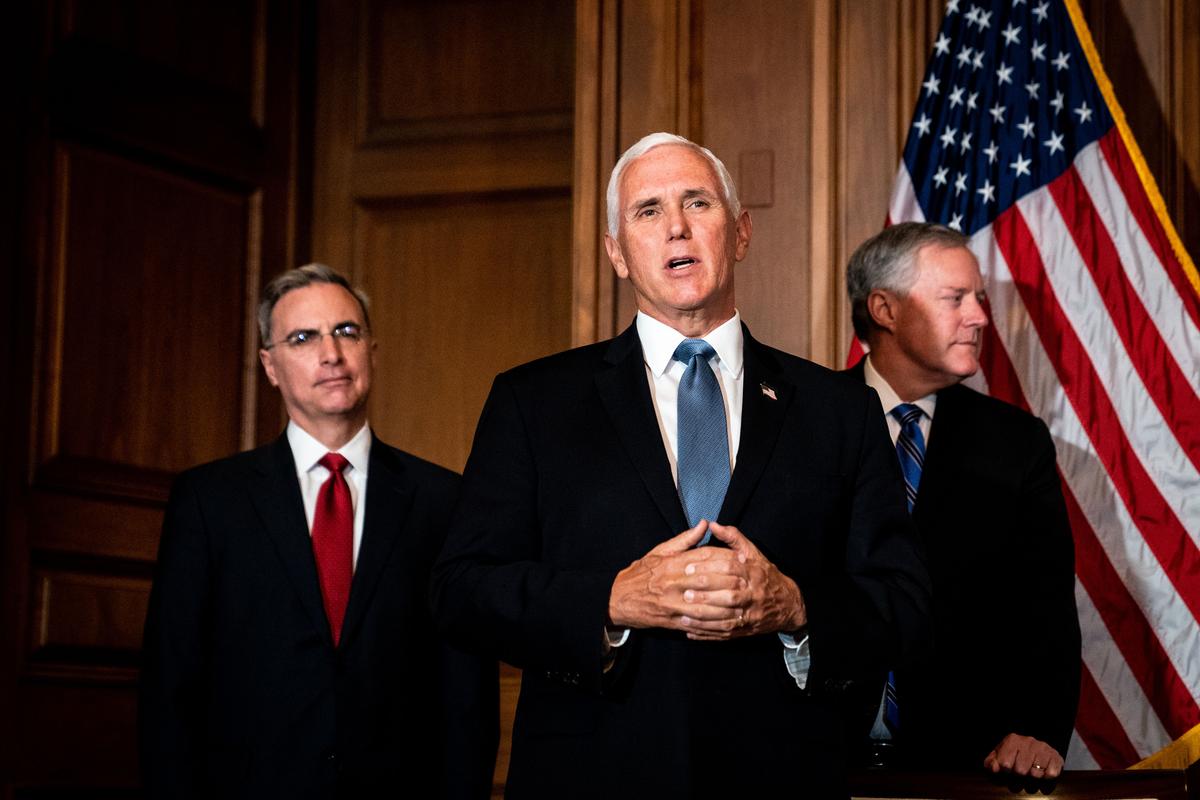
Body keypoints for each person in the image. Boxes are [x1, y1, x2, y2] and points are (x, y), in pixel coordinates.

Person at [433, 133, 931, 798]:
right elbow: (462, 591)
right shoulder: (534, 403)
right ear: (616, 252)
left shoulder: (838, 409)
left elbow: (902, 602)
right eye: (647, 211)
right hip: (592, 778)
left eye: (698, 203)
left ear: (742, 232)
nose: (676, 227)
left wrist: (796, 607)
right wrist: (611, 600)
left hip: (781, 775)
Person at [139, 264, 497, 798]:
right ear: (270, 366)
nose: (331, 354)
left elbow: (467, 692)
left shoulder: (443, 500)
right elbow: (171, 686)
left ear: (372, 350)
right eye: (304, 338)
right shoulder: (209, 501)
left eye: (347, 332)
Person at [846, 222, 1081, 778]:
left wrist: (1040, 731)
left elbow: (1046, 613)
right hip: (813, 766)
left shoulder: (1016, 444)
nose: (980, 317)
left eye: (978, 299)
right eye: (955, 299)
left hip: (969, 769)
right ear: (885, 308)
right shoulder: (803, 422)